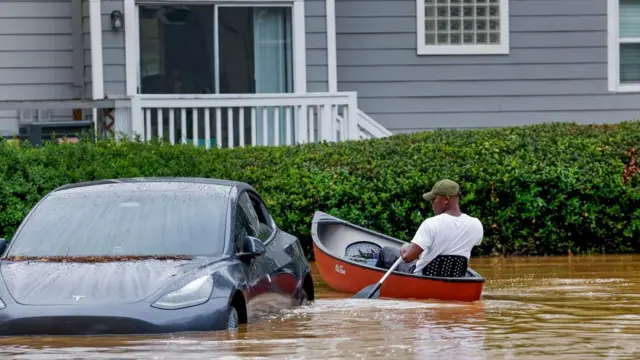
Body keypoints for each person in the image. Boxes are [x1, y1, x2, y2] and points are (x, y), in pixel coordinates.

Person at [374, 179, 483, 276]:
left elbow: (408, 258)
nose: (431, 204)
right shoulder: (476, 224)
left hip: (422, 276)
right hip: (456, 276)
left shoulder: (431, 223)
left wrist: (404, 249)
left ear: (446, 199)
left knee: (386, 251)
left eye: (433, 199)